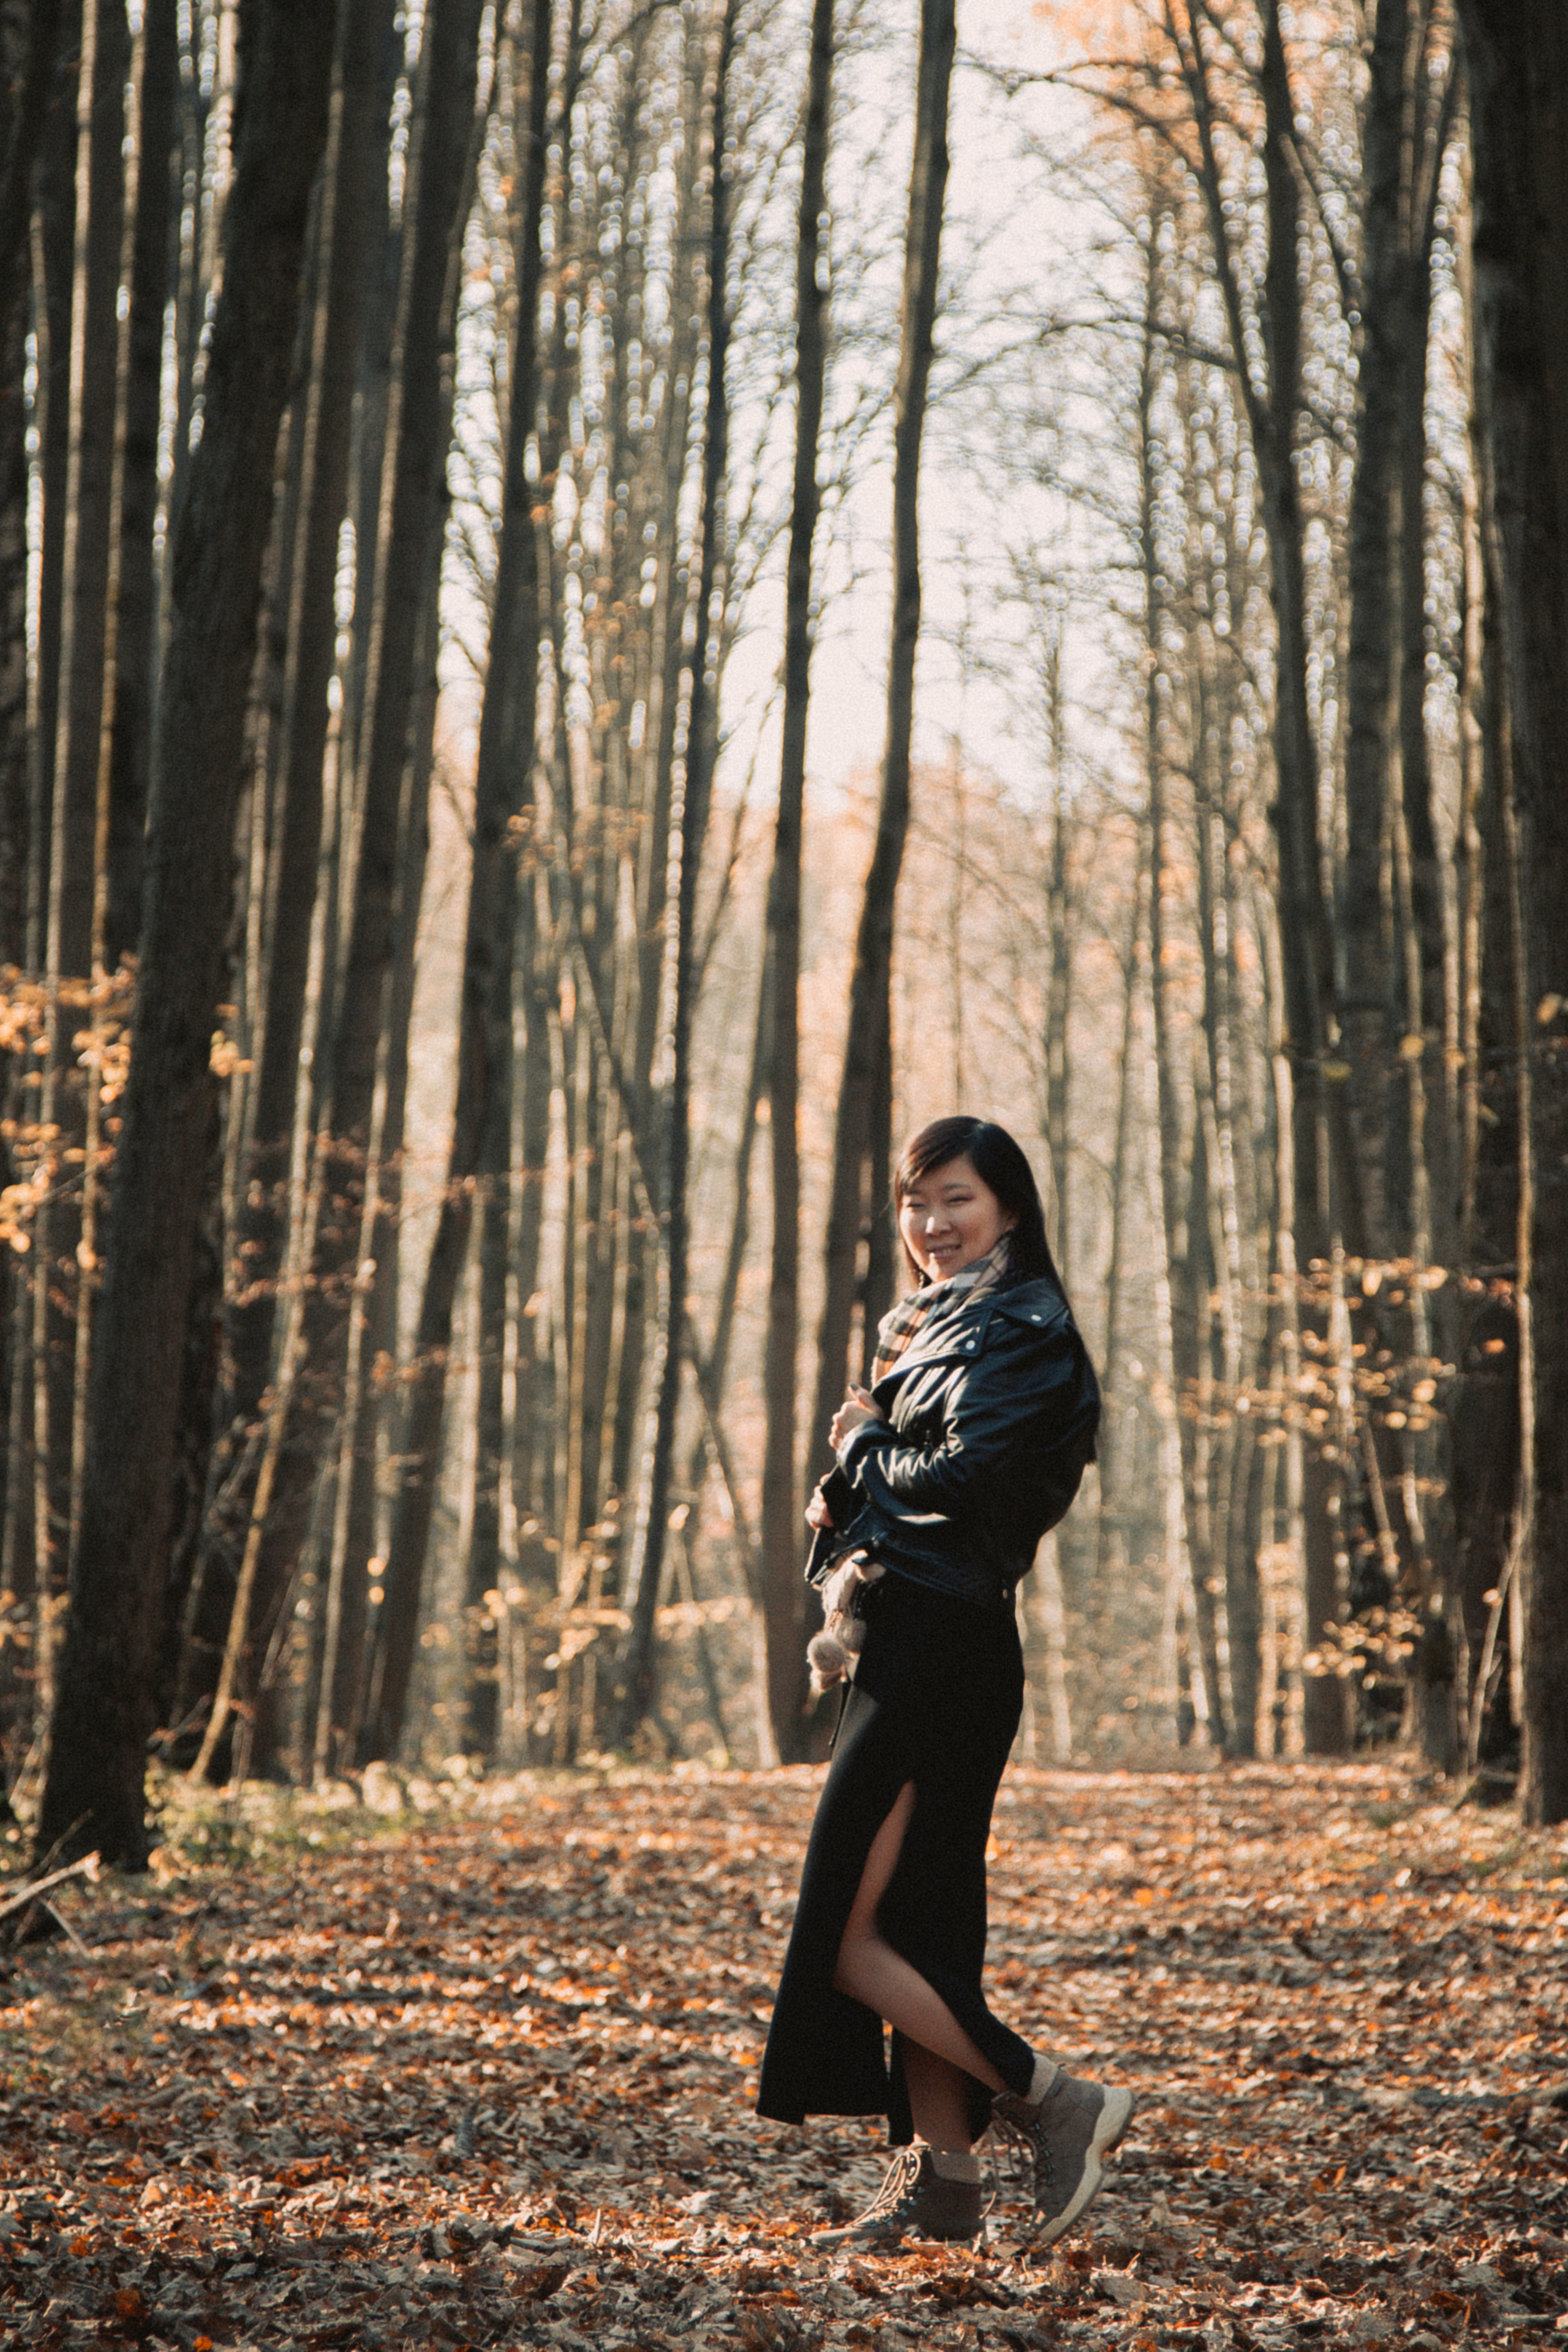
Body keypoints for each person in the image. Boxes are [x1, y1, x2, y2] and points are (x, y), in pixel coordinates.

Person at [756, 1115, 1135, 2248]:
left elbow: (967, 1477)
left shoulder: (1023, 1329)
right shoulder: (938, 1323)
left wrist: (866, 1449)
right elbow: (920, 1483)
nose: (932, 1224)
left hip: (944, 1648)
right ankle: (946, 2184)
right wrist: (848, 1497)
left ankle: (1056, 2098)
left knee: (841, 1932)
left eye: (956, 1199)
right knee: (921, 1927)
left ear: (1009, 1207)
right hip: (913, 1635)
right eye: (916, 1203)